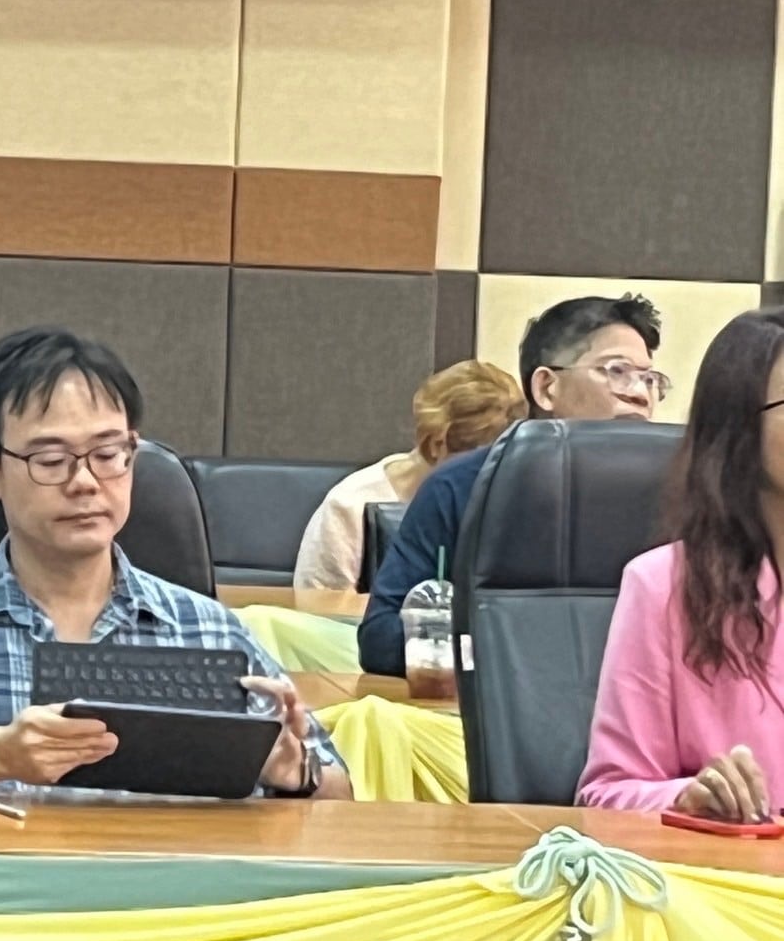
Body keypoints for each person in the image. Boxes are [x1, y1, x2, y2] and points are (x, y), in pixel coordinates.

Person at [0, 326, 352, 798]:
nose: (86, 481)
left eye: (108, 454)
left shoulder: (205, 628)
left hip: (165, 885)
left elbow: (339, 791)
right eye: (51, 460)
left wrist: (294, 772)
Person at [357, 294, 668, 676]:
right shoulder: (461, 487)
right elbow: (382, 638)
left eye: (650, 379)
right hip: (492, 706)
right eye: (617, 371)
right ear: (546, 388)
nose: (640, 394)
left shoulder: (683, 494)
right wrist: (504, 651)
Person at [578, 307, 784, 817]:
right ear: (738, 427)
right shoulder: (664, 587)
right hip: (737, 865)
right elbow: (607, 794)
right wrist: (686, 799)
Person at [295, 361, 526, 590]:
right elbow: (316, 606)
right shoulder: (350, 505)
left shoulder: (515, 500)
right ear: (437, 445)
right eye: (479, 462)